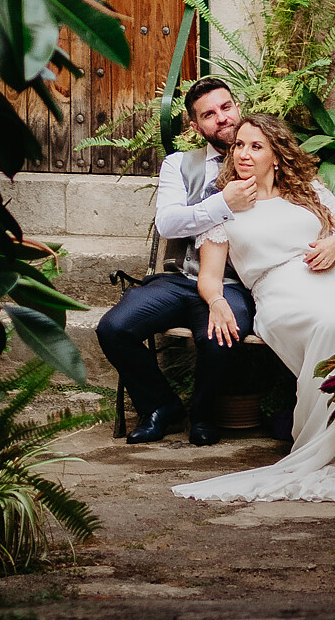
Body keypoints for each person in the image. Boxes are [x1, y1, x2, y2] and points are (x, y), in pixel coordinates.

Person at [172, 113, 335, 504]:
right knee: (331, 323)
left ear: (277, 155)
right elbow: (210, 276)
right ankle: (324, 447)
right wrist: (217, 303)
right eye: (239, 146)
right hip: (280, 293)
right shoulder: (222, 205)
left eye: (256, 146)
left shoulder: (309, 190)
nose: (244, 154)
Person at [96, 76, 259, 446]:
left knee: (221, 337)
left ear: (238, 107)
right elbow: (168, 222)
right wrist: (223, 203)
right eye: (209, 114)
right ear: (195, 125)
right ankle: (160, 406)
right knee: (114, 328)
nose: (221, 118)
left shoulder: (263, 158)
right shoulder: (179, 165)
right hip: (180, 278)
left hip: (232, 284)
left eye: (226, 107)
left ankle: (203, 412)